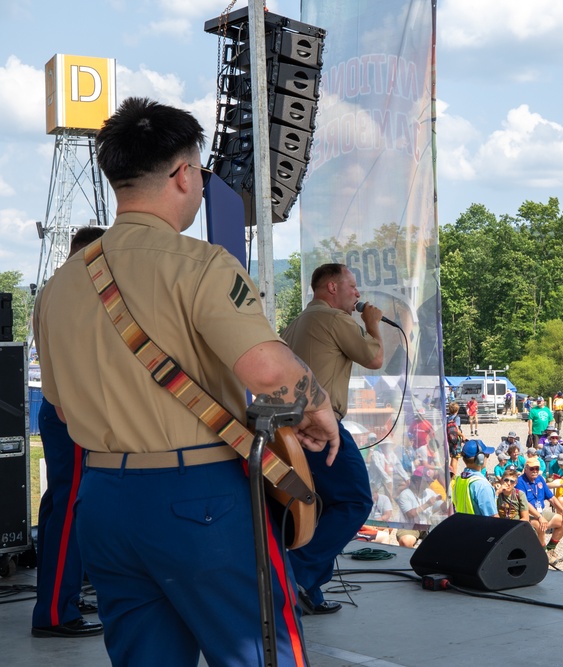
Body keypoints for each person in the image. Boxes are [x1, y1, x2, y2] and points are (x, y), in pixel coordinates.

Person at [34, 97, 340, 666]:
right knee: (258, 654)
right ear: (183, 173)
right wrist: (317, 407)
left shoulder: (60, 285)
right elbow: (269, 372)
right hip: (200, 498)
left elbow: (57, 405)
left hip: (102, 501)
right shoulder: (200, 264)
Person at [281, 262, 383, 616]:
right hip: (319, 427)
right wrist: (371, 325)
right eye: (352, 286)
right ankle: (295, 575)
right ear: (332, 288)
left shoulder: (296, 323)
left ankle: (310, 590)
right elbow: (374, 357)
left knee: (319, 505)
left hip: (289, 428)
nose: (358, 293)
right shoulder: (335, 319)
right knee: (355, 500)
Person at [31, 227, 106, 639]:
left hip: (60, 409)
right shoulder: (77, 287)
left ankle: (58, 597)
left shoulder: (53, 287)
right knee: (69, 511)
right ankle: (57, 611)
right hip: (72, 413)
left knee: (58, 505)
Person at [517, 456, 563, 564]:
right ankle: (544, 553)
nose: (535, 471)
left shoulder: (540, 479)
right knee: (539, 525)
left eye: (537, 468)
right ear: (525, 469)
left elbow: (551, 498)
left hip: (540, 511)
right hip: (528, 514)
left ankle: (550, 549)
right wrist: (540, 517)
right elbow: (525, 504)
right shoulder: (520, 481)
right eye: (532, 469)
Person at [452, 440, 499, 516]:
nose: (487, 458)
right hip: (479, 527)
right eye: (487, 455)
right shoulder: (483, 486)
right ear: (480, 458)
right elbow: (493, 518)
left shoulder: (458, 480)